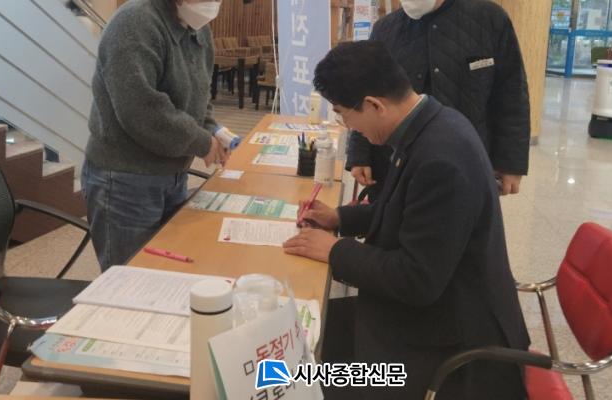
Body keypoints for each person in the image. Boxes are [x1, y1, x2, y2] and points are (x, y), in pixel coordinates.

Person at [284, 41, 529, 399]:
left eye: (344, 115)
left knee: (292, 377)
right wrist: (339, 217)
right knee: (300, 337)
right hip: (428, 313)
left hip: (451, 352)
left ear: (374, 105)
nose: (347, 126)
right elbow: (401, 210)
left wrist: (335, 250)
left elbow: (416, 279)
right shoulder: (431, 124)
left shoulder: (441, 159)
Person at [82, 0, 229, 271]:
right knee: (129, 278)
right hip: (125, 178)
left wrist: (215, 131)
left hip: (173, 173)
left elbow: (199, 97)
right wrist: (201, 142)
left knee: (167, 270)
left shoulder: (198, 29)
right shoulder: (135, 22)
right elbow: (142, 111)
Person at [347, 0, 530, 200]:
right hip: (394, 165)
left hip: (465, 163)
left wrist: (511, 163)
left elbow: (512, 93)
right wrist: (359, 154)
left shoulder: (490, 19)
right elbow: (366, 93)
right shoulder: (385, 29)